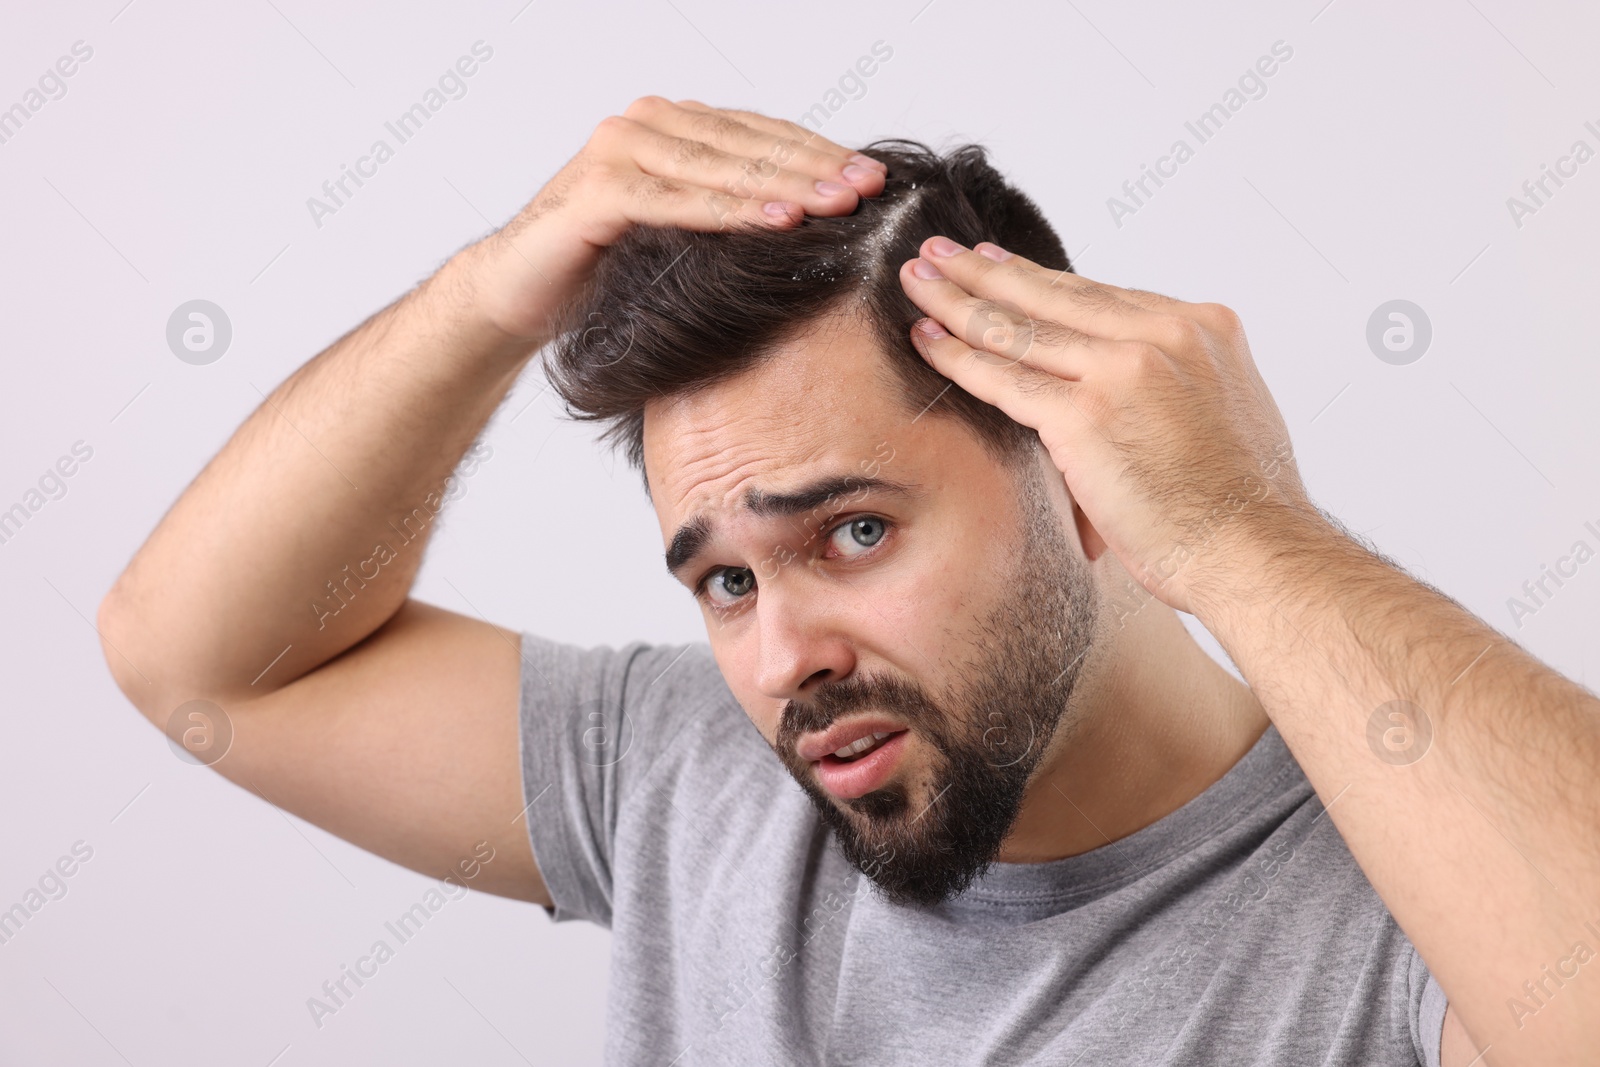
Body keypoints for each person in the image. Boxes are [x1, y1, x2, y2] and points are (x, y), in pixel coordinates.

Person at [98, 98, 1598, 1066]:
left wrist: (1244, 532)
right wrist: (493, 290)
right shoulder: (695, 778)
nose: (781, 660)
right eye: (727, 581)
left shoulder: (1406, 907)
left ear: (1078, 480)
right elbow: (205, 666)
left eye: (854, 534)